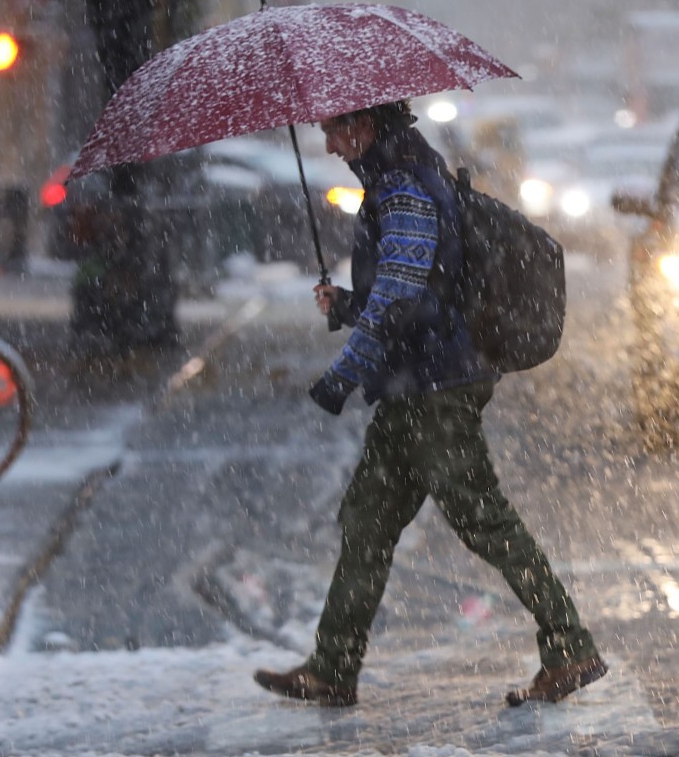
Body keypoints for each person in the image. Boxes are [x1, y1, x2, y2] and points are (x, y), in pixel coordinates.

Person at [254, 101, 606, 707]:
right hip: (411, 387)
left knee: (484, 521)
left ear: (366, 124)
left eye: (336, 130)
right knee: (367, 520)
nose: (332, 145)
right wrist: (345, 305)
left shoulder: (405, 189)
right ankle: (333, 667)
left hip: (437, 387)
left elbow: (400, 298)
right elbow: (408, 293)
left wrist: (342, 375)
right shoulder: (398, 180)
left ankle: (570, 646)